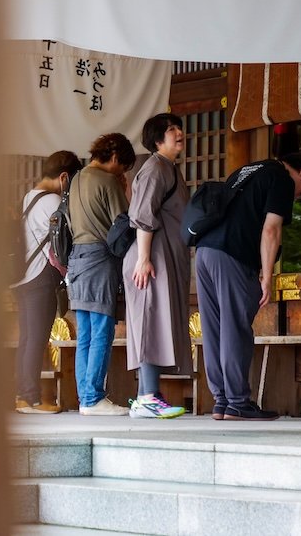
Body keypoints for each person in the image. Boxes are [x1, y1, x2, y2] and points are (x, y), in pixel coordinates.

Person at [194, 152, 301, 421]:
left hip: (205, 251)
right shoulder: (281, 178)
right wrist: (267, 275)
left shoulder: (249, 169)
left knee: (214, 327)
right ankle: (238, 402)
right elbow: (271, 230)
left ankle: (221, 401)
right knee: (235, 326)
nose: (298, 196)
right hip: (232, 254)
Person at [123, 113, 192, 419]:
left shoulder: (167, 168)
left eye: (179, 127)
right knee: (150, 319)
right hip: (151, 256)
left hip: (161, 254)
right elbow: (142, 216)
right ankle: (149, 395)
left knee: (155, 319)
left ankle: (144, 398)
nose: (179, 133)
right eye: (171, 129)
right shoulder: (154, 168)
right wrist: (143, 258)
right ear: (157, 139)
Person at [68, 133, 136, 416]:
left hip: (77, 259)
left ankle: (85, 397)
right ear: (116, 158)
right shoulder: (108, 181)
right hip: (99, 259)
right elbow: (123, 225)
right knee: (101, 331)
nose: (122, 173)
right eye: (124, 167)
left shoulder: (76, 178)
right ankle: (94, 397)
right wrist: (127, 192)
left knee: (84, 334)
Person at [13, 151, 83, 414]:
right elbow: (63, 242)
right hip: (40, 276)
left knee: (27, 337)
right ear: (64, 177)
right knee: (37, 338)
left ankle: (23, 396)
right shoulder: (53, 200)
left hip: (21, 276)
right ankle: (30, 399)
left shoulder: (28, 197)